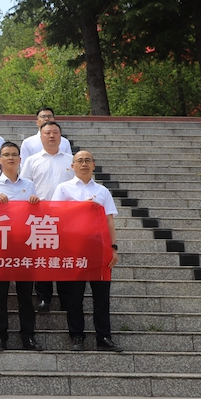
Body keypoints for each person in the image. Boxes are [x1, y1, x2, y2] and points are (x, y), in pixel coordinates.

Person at [52, 150, 121, 352]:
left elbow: (109, 221)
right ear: (72, 166)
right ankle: (77, 336)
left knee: (102, 297)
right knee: (75, 297)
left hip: (99, 249)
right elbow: (55, 214)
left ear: (94, 165)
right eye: (80, 160)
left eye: (87, 160)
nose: (84, 164)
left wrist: (113, 248)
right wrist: (82, 207)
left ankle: (104, 337)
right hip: (73, 248)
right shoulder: (63, 188)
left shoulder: (102, 191)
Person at [0, 142, 43, 351]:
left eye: (14, 155)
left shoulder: (29, 185)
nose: (10, 158)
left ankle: (28, 337)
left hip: (24, 244)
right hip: (0, 244)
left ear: (20, 159)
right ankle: (0, 337)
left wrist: (36, 203)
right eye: (6, 155)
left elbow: (37, 215)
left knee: (25, 295)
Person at [20, 121, 74, 312]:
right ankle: (44, 298)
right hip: (40, 215)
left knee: (64, 257)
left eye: (55, 132)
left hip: (66, 216)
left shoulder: (71, 160)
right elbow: (24, 186)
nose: (51, 136)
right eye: (47, 133)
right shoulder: (32, 160)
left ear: (61, 136)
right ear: (41, 136)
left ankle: (66, 298)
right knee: (43, 257)